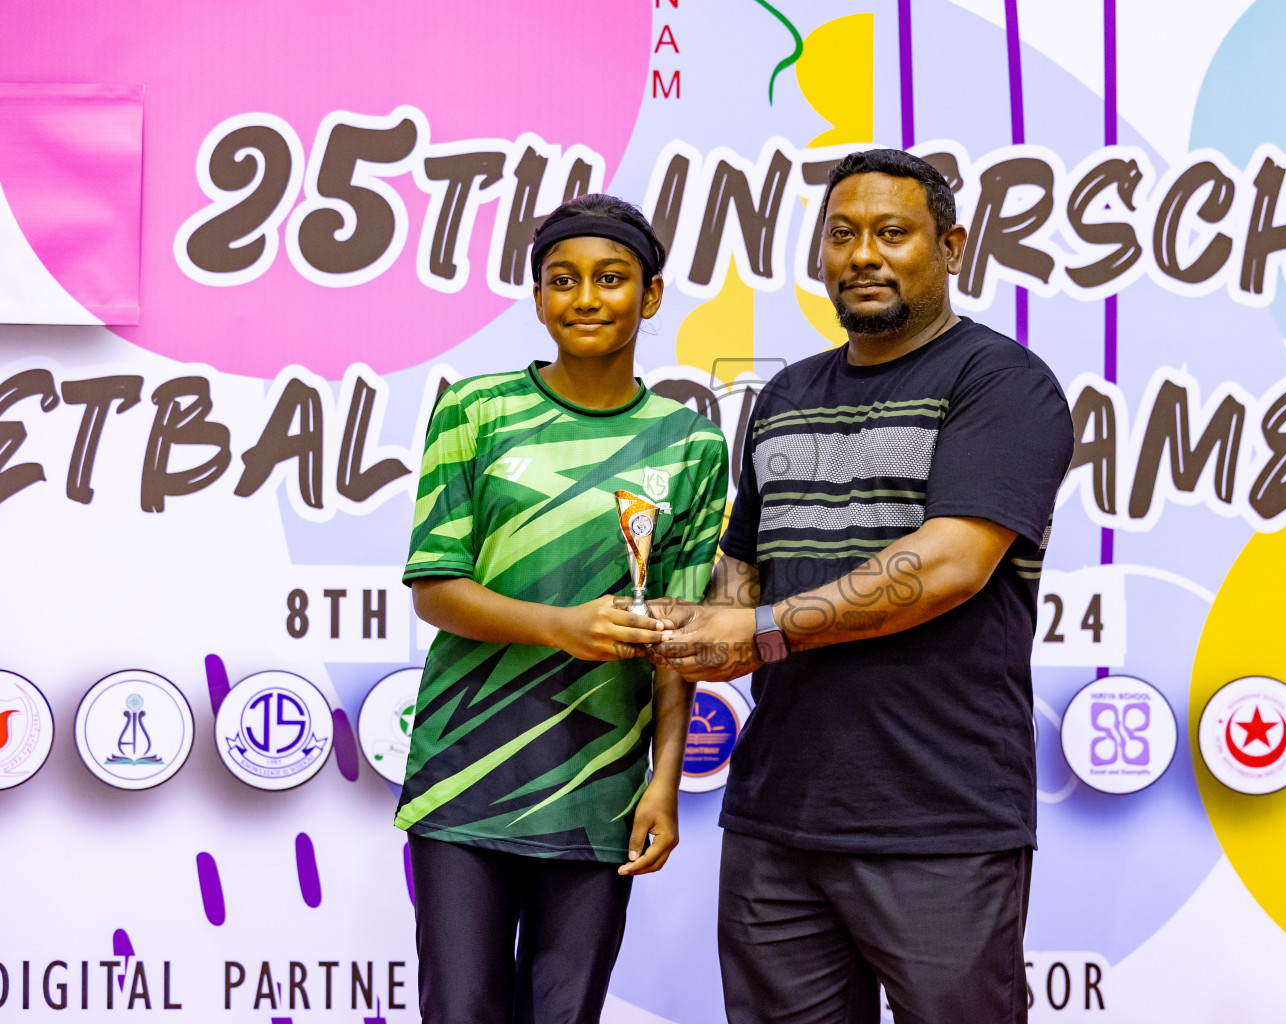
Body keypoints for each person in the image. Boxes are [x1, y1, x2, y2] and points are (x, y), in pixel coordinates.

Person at [653, 149, 1075, 1024]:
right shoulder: (784, 394)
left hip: (940, 817)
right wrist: (693, 626)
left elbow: (950, 564)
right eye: (842, 235)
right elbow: (745, 569)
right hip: (778, 814)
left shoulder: (1001, 383)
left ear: (950, 246)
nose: (863, 256)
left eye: (893, 233)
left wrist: (759, 629)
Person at [396, 192, 729, 1024]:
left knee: (565, 1013)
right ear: (538, 296)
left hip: (598, 785)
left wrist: (662, 784)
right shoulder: (477, 409)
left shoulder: (690, 442)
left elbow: (678, 638)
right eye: (563, 279)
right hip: (465, 777)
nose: (586, 298)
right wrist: (561, 628)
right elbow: (436, 587)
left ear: (650, 296)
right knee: (461, 1011)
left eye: (612, 278)